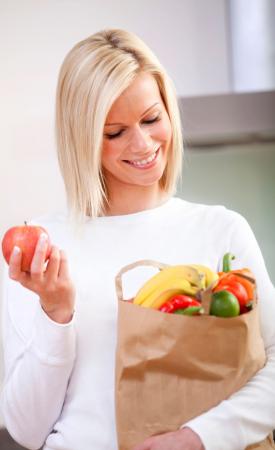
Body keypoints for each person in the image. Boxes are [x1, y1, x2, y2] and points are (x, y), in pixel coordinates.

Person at [1, 28, 275, 450]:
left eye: (151, 119)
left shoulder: (221, 231)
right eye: (115, 133)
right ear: (84, 139)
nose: (143, 144)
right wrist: (55, 314)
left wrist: (199, 437)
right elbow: (25, 429)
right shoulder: (44, 249)